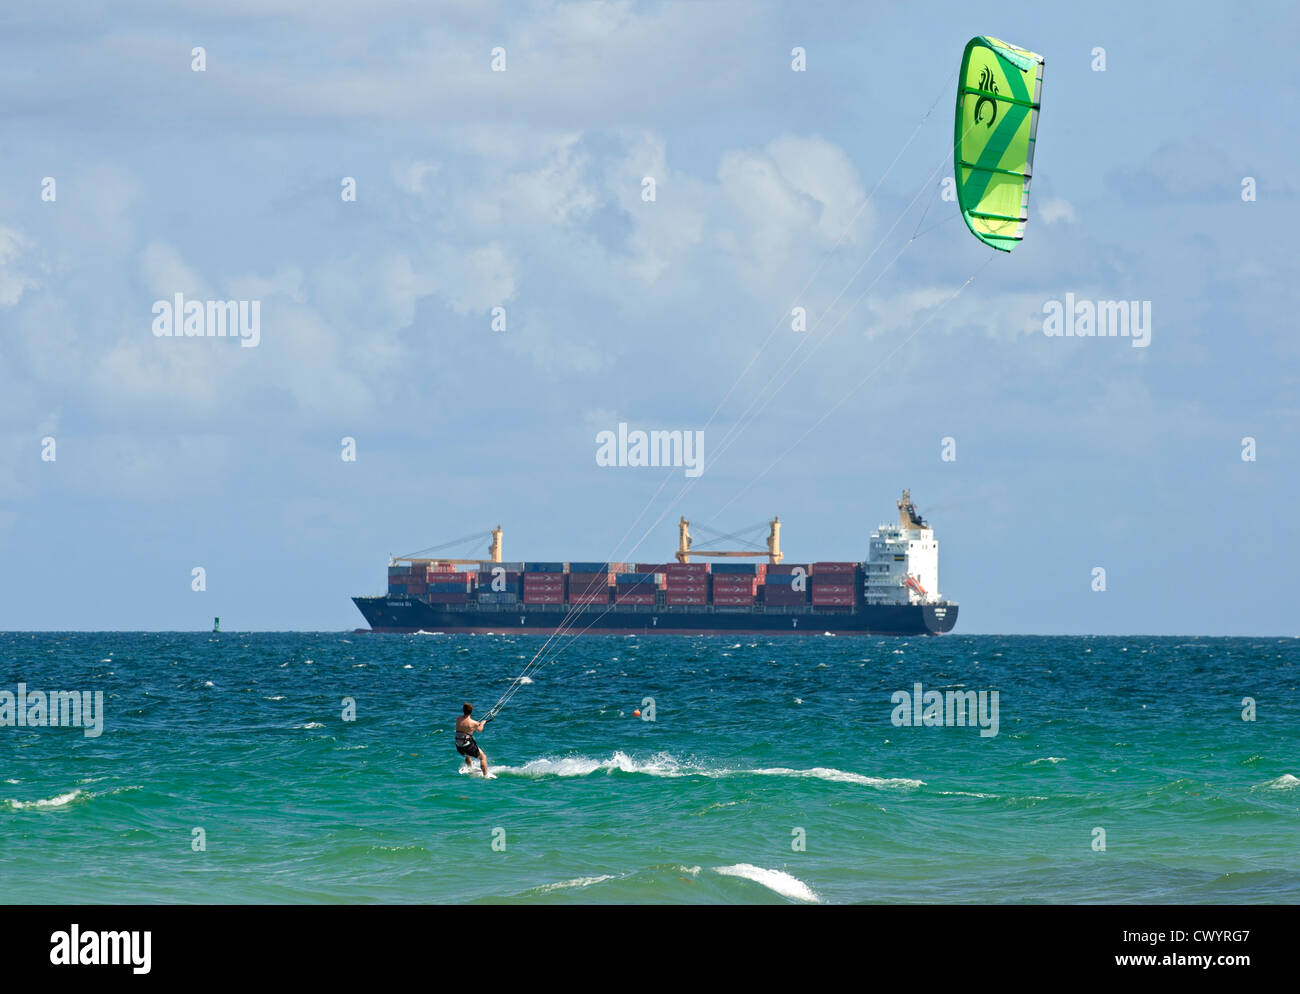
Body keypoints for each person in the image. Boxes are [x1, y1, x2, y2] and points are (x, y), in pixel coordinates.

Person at [455, 702, 489, 776]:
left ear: (463, 710)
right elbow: (480, 730)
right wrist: (482, 723)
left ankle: (470, 768)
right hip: (467, 745)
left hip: (458, 744)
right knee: (483, 757)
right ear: (471, 711)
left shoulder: (458, 719)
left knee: (467, 754)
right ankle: (486, 775)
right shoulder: (474, 723)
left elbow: (465, 727)